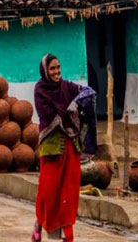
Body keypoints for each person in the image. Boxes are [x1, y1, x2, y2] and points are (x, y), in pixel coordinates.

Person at [31, 54, 97, 242]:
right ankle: (42, 224)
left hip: (71, 148)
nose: (56, 72)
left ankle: (67, 236)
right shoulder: (40, 90)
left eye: (58, 68)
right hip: (51, 149)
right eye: (52, 69)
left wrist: (76, 103)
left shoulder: (68, 87)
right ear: (45, 70)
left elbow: (89, 92)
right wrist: (69, 112)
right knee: (49, 193)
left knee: (68, 193)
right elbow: (49, 115)